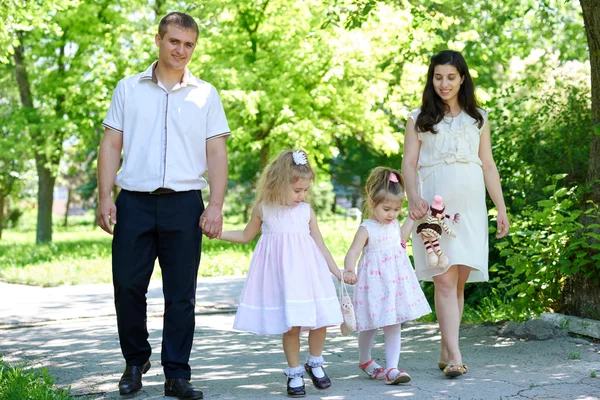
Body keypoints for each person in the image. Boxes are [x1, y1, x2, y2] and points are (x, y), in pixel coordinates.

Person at [97, 12, 230, 399]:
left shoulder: (206, 94)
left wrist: (216, 204)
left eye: (189, 44)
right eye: (174, 41)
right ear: (158, 40)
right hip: (134, 203)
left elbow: (217, 152)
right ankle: (136, 360)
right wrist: (105, 195)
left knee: (181, 294)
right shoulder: (128, 88)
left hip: (185, 204)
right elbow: (110, 145)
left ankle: (176, 373)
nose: (181, 50)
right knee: (127, 286)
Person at [212, 149, 356, 398]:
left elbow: (320, 244)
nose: (302, 196)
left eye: (305, 191)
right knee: (291, 325)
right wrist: (217, 233)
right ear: (279, 184)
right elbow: (246, 236)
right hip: (284, 280)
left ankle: (316, 361)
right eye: (297, 191)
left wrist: (338, 273)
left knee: (319, 319)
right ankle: (294, 371)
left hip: (310, 275)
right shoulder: (263, 209)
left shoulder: (305, 211)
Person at [402, 50, 510, 378]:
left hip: (471, 210)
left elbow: (488, 165)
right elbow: (408, 163)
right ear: (431, 79)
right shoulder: (419, 118)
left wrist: (501, 209)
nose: (444, 83)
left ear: (462, 78)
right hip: (434, 210)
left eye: (450, 77)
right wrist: (413, 197)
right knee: (444, 280)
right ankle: (456, 355)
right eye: (438, 77)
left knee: (459, 282)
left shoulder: (479, 118)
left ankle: (446, 348)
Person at [345, 167, 432, 385]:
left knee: (394, 323)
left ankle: (392, 368)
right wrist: (349, 269)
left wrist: (412, 219)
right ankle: (365, 360)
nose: (392, 214)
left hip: (394, 283)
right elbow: (353, 251)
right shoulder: (367, 228)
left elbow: (402, 238)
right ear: (373, 204)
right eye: (386, 209)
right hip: (373, 284)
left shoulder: (394, 225)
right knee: (370, 324)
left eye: (396, 209)